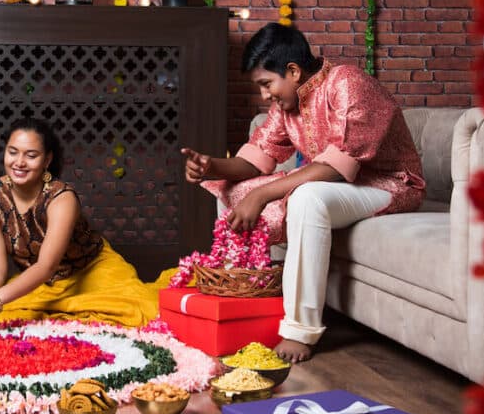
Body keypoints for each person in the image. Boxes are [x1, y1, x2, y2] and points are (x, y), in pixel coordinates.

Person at [181, 23, 425, 363]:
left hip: (389, 183)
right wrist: (212, 167)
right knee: (231, 188)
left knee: (307, 198)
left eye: (266, 84)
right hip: (337, 185)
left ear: (293, 71)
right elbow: (254, 160)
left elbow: (339, 165)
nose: (264, 95)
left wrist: (262, 196)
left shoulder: (347, 83)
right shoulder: (287, 106)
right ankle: (239, 294)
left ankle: (300, 330)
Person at [0, 117, 170, 329]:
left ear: (47, 160)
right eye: (13, 152)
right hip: (42, 284)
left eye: (31, 155)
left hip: (91, 273)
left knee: (144, 310)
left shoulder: (62, 198)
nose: (19, 162)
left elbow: (46, 266)